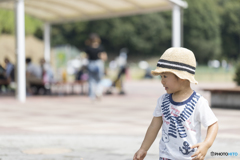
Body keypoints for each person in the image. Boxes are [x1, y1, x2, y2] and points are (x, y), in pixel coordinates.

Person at [133, 48, 218, 160]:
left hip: (190, 157)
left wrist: (206, 144)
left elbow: (213, 124)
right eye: (161, 77)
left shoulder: (198, 102)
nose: (162, 81)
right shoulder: (163, 101)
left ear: (182, 77)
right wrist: (143, 148)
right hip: (166, 156)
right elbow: (154, 126)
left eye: (165, 76)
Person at [85, 33, 107, 100]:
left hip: (90, 64)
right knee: (99, 80)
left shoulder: (88, 48)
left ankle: (92, 96)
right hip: (98, 64)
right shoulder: (100, 47)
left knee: (91, 81)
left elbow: (86, 57)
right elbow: (103, 57)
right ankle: (98, 92)